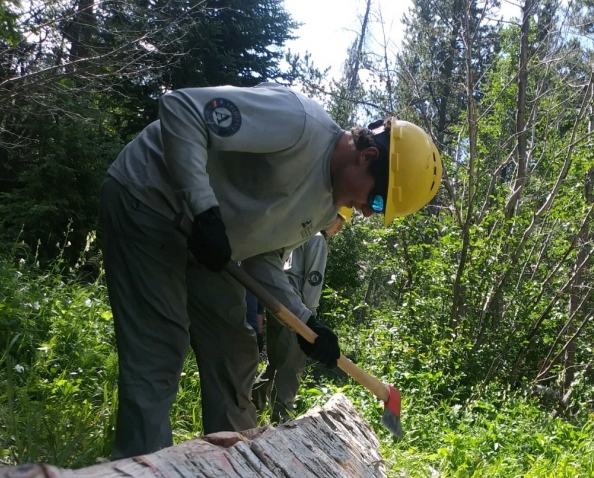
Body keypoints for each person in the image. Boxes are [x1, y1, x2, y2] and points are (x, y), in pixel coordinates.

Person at [100, 83, 442, 458]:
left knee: (234, 350)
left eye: (377, 212)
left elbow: (263, 259)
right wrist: (204, 209)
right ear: (367, 155)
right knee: (160, 349)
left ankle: (236, 474)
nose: (365, 212)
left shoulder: (326, 209)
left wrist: (306, 323)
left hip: (211, 244)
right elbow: (181, 108)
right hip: (149, 202)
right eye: (376, 200)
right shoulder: (296, 122)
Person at [254, 208, 350, 420]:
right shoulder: (318, 241)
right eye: (340, 222)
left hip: (278, 301)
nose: (340, 228)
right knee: (292, 366)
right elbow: (312, 282)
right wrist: (310, 322)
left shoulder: (298, 232)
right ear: (330, 216)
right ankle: (282, 418)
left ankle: (252, 407)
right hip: (297, 311)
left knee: (275, 361)